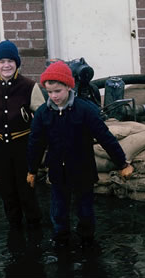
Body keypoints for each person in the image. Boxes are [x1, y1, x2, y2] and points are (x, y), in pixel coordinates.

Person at [26, 60, 134, 247]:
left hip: (83, 171)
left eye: (58, 91)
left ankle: (87, 241)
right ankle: (61, 241)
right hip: (58, 173)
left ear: (69, 86)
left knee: (85, 210)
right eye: (50, 92)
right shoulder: (43, 113)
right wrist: (32, 170)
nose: (54, 96)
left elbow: (105, 137)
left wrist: (122, 164)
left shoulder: (85, 110)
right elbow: (35, 143)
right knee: (59, 211)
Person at [0, 40, 45, 229]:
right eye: (1, 61)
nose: (6, 65)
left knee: (27, 189)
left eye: (10, 61)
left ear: (16, 63)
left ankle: (34, 226)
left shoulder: (29, 86)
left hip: (23, 146)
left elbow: (41, 116)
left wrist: (36, 142)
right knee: (6, 191)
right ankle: (14, 227)